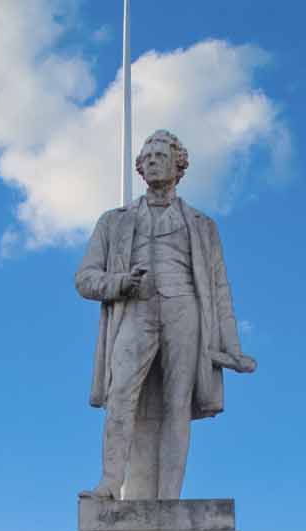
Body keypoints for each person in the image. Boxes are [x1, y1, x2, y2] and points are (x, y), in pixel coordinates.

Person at [74, 130, 256, 501]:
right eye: (147, 157)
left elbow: (219, 288)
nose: (153, 160)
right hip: (135, 309)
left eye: (161, 154)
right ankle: (110, 483)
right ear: (140, 168)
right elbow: (85, 279)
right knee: (121, 393)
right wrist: (122, 283)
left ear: (179, 165)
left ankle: (169, 498)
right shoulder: (114, 221)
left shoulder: (203, 226)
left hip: (184, 309)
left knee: (177, 403)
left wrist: (231, 346)